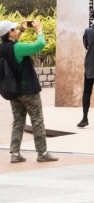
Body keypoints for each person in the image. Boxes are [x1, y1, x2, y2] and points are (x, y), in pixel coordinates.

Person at [0, 19, 59, 163]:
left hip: (13, 92)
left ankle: (15, 154)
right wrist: (39, 29)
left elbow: (12, 45)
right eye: (14, 29)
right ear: (9, 33)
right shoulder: (18, 48)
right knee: (37, 120)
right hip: (28, 91)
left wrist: (21, 30)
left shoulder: (2, 48)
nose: (15, 31)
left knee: (18, 121)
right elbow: (40, 45)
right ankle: (42, 153)